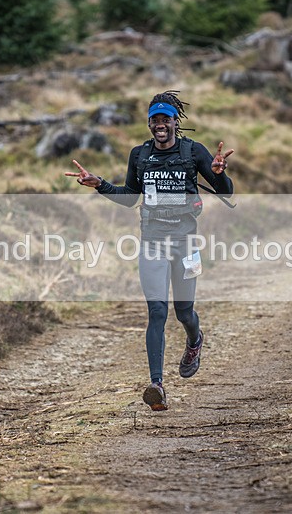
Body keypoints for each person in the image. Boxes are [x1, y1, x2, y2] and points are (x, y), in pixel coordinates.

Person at [65, 90, 234, 411]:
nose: (160, 124)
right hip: (152, 243)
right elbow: (130, 196)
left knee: (184, 312)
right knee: (157, 311)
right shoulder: (139, 155)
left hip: (186, 244)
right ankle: (156, 385)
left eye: (165, 119)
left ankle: (195, 340)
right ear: (149, 123)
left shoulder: (193, 151)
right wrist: (100, 185)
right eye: (154, 119)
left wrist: (219, 173)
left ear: (175, 122)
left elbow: (226, 193)